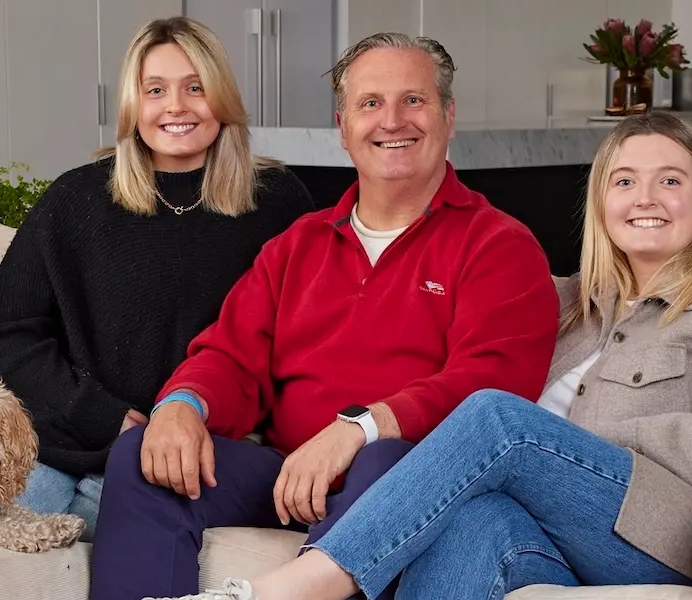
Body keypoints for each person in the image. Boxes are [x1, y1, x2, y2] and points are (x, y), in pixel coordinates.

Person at [154, 109, 692, 600]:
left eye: (670, 181)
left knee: (499, 416)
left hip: (660, 522)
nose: (645, 198)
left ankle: (303, 584)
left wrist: (579, 446)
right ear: (602, 202)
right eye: (625, 181)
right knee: (467, 521)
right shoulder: (570, 299)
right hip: (554, 521)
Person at [87, 32, 561, 600]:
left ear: (448, 116)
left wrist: (358, 429)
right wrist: (183, 403)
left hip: (400, 478)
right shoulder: (298, 245)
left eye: (414, 100)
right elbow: (231, 354)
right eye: (369, 104)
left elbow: (490, 384)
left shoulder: (498, 244)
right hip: (288, 476)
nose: (392, 120)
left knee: (383, 460)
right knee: (143, 454)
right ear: (343, 126)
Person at [0, 16, 314, 542]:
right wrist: (102, 415)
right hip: (65, 445)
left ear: (221, 96)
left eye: (195, 88)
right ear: (134, 105)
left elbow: (304, 340)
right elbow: (3, 328)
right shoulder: (76, 199)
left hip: (194, 455)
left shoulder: (276, 201)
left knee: (118, 528)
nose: (175, 106)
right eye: (155, 90)